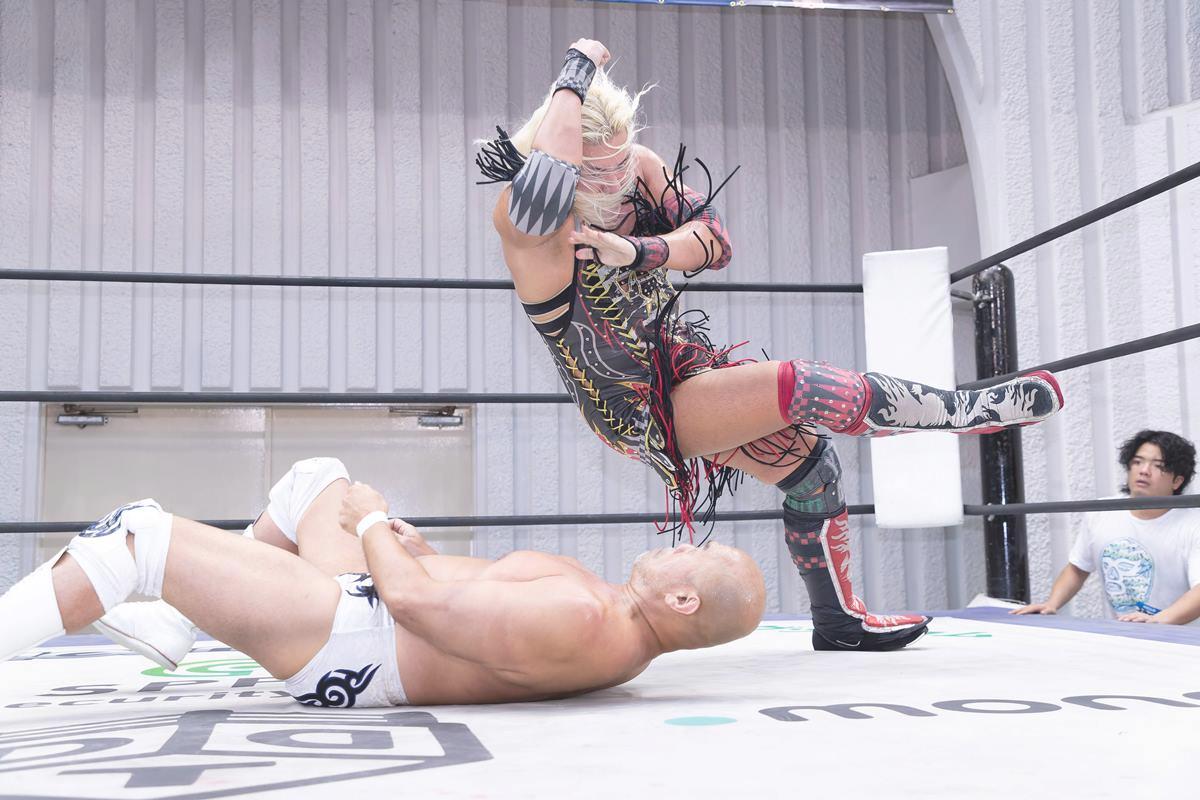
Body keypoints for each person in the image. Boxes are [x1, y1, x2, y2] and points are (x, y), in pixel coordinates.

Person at [478, 38, 1064, 651]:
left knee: (812, 469)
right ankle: (964, 412)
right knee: (798, 386)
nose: (617, 177)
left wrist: (639, 249)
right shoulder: (528, 219)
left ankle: (840, 623)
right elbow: (547, 177)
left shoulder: (640, 169)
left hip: (680, 370)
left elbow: (715, 242)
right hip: (632, 406)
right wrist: (576, 68)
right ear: (562, 158)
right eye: (597, 169)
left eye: (621, 161)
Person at [0, 459, 765, 706]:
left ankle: (173, 613)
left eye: (689, 555)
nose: (677, 544)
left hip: (351, 639)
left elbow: (415, 603)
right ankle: (182, 625)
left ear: (683, 600)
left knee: (134, 536)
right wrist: (414, 548)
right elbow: (458, 605)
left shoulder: (585, 617)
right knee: (318, 479)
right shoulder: (609, 613)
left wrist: (372, 525)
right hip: (370, 615)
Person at [1014, 430, 1200, 625]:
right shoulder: (1102, 512)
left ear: (1177, 481)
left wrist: (1157, 621)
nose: (1144, 470)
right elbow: (1077, 568)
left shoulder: (1193, 523)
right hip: (1121, 633)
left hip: (1182, 637)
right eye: (1137, 462)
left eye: (1158, 466)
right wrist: (1051, 604)